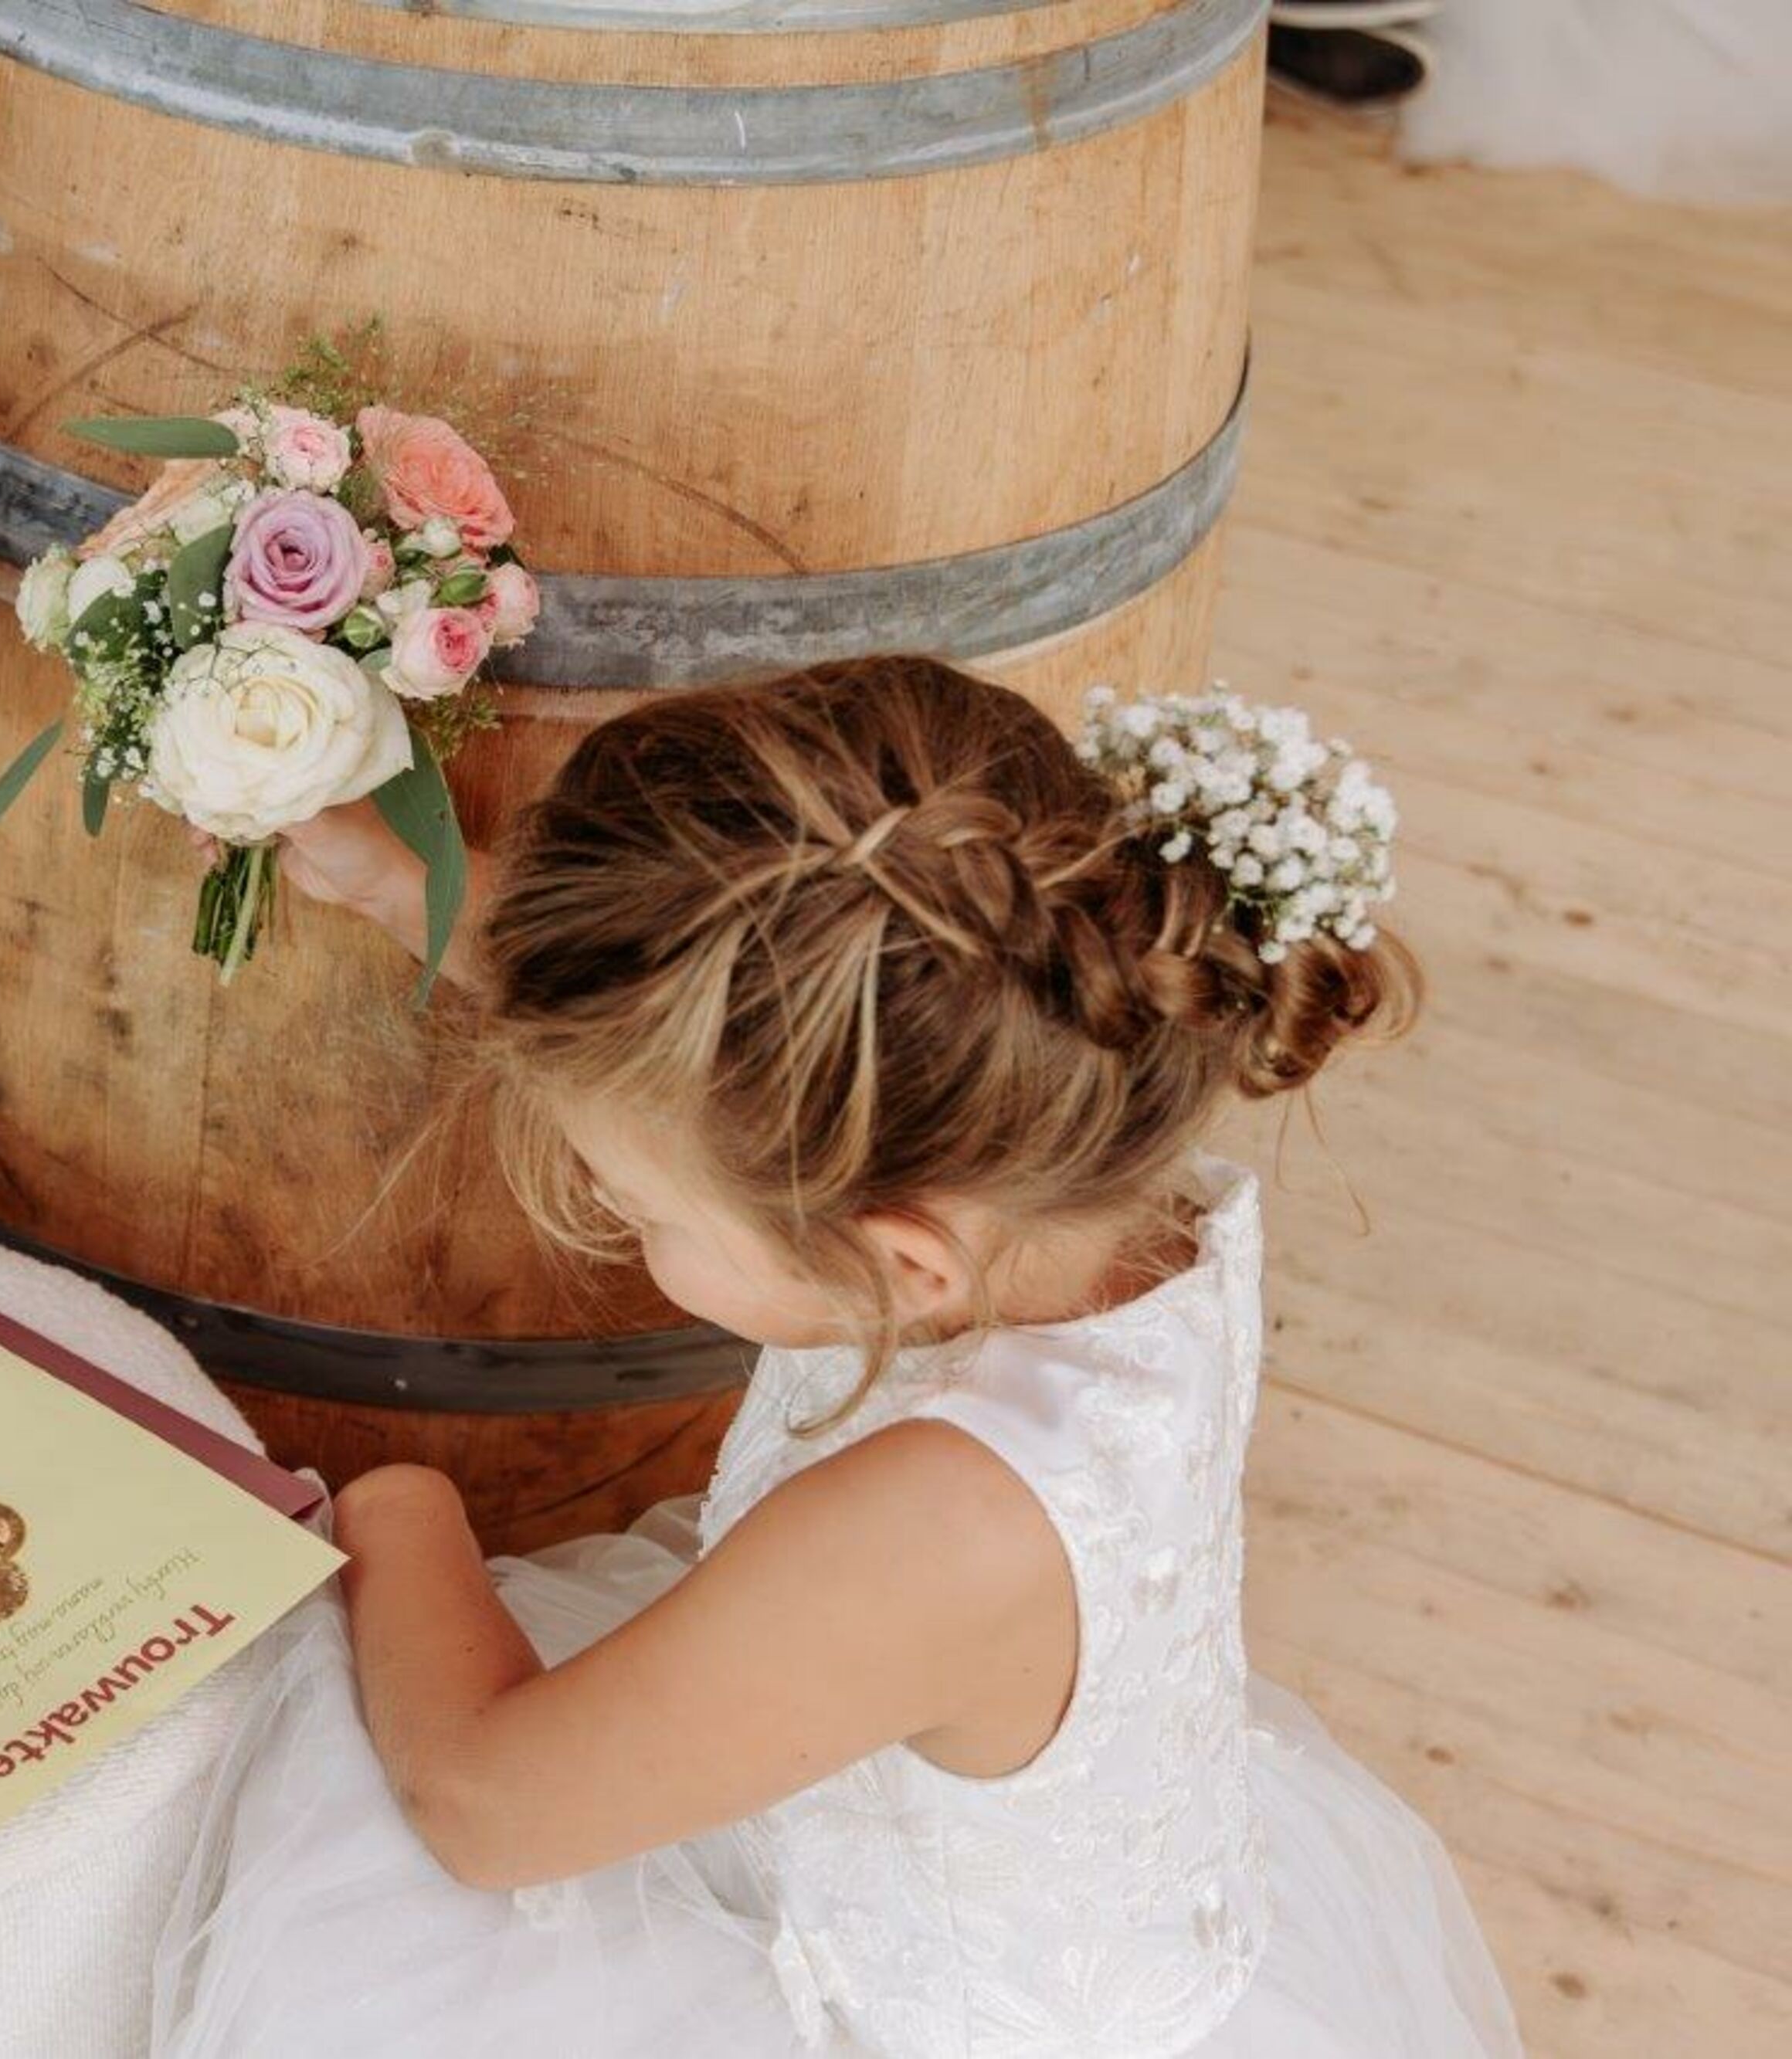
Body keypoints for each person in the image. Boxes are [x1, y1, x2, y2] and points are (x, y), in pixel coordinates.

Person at [153, 657, 1519, 2056]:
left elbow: (485, 1810)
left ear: (898, 1263)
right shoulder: (1082, 1151)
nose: (620, 1217)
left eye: (642, 1212)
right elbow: (716, 1042)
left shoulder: (941, 1526)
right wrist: (401, 884)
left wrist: (401, 1505)